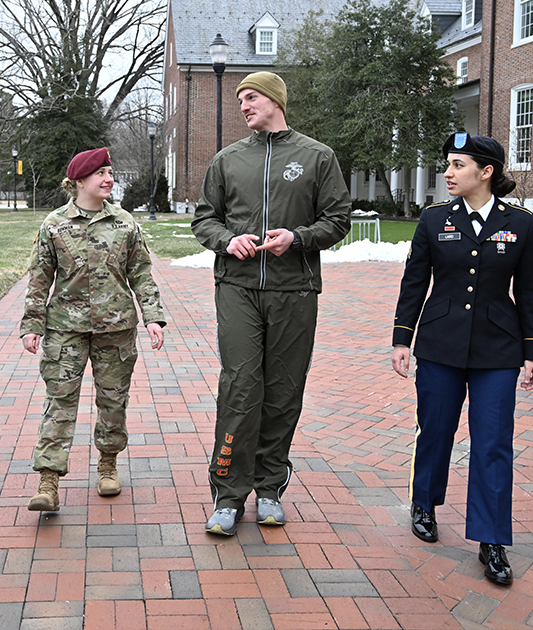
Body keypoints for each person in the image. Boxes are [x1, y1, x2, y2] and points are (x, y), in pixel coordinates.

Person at [191, 72, 351, 535]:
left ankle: (269, 489)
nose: (244, 105)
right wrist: (227, 240)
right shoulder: (227, 160)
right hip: (237, 289)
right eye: (240, 99)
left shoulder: (317, 157)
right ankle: (227, 494)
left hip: (294, 292)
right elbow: (205, 219)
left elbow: (337, 220)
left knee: (283, 391)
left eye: (252, 97)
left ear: (276, 101)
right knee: (241, 387)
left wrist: (298, 238)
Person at [391, 132, 533, 586]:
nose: (448, 172)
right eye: (448, 164)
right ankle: (424, 502)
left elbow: (531, 290)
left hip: (499, 349)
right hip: (439, 344)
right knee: (435, 427)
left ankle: (491, 539)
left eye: (458, 165)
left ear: (486, 172)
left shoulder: (520, 223)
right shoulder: (434, 219)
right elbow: (414, 281)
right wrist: (403, 338)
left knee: (493, 442)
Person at [20, 147, 166, 511]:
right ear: (79, 181)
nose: (108, 178)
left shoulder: (125, 223)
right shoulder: (54, 224)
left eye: (109, 172)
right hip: (65, 329)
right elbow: (39, 279)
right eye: (100, 173)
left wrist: (154, 317)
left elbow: (141, 274)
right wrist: (31, 325)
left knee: (113, 402)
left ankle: (108, 464)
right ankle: (48, 482)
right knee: (60, 401)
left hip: (116, 329)